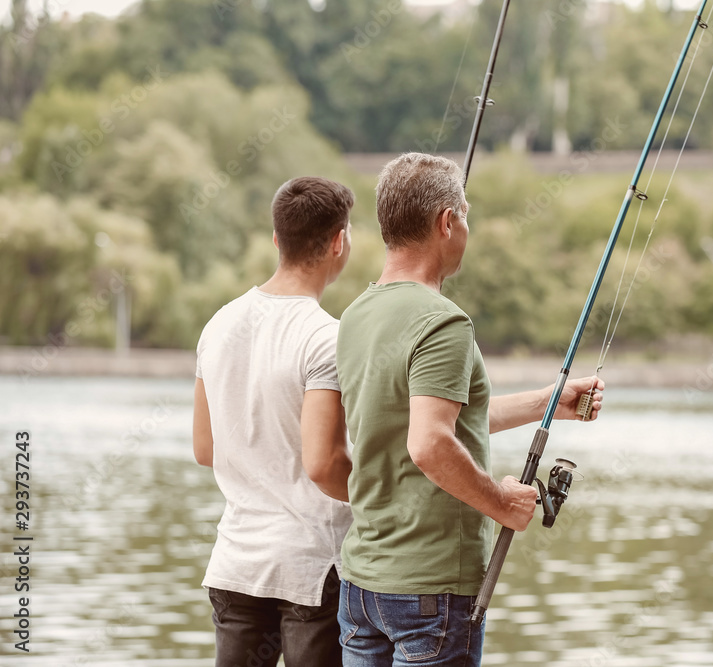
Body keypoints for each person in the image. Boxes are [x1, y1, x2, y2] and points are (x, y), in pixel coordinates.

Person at [335, 152, 605, 667]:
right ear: (447, 222)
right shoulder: (444, 322)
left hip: (362, 588)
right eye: (466, 215)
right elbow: (430, 442)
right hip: (429, 592)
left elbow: (438, 420)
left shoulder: (356, 314)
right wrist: (500, 503)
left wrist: (549, 402)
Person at [193, 176, 356, 667]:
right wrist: (389, 496)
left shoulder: (219, 323)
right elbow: (325, 465)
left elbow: (205, 450)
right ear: (338, 242)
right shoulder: (327, 337)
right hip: (310, 570)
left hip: (236, 565)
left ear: (275, 239)